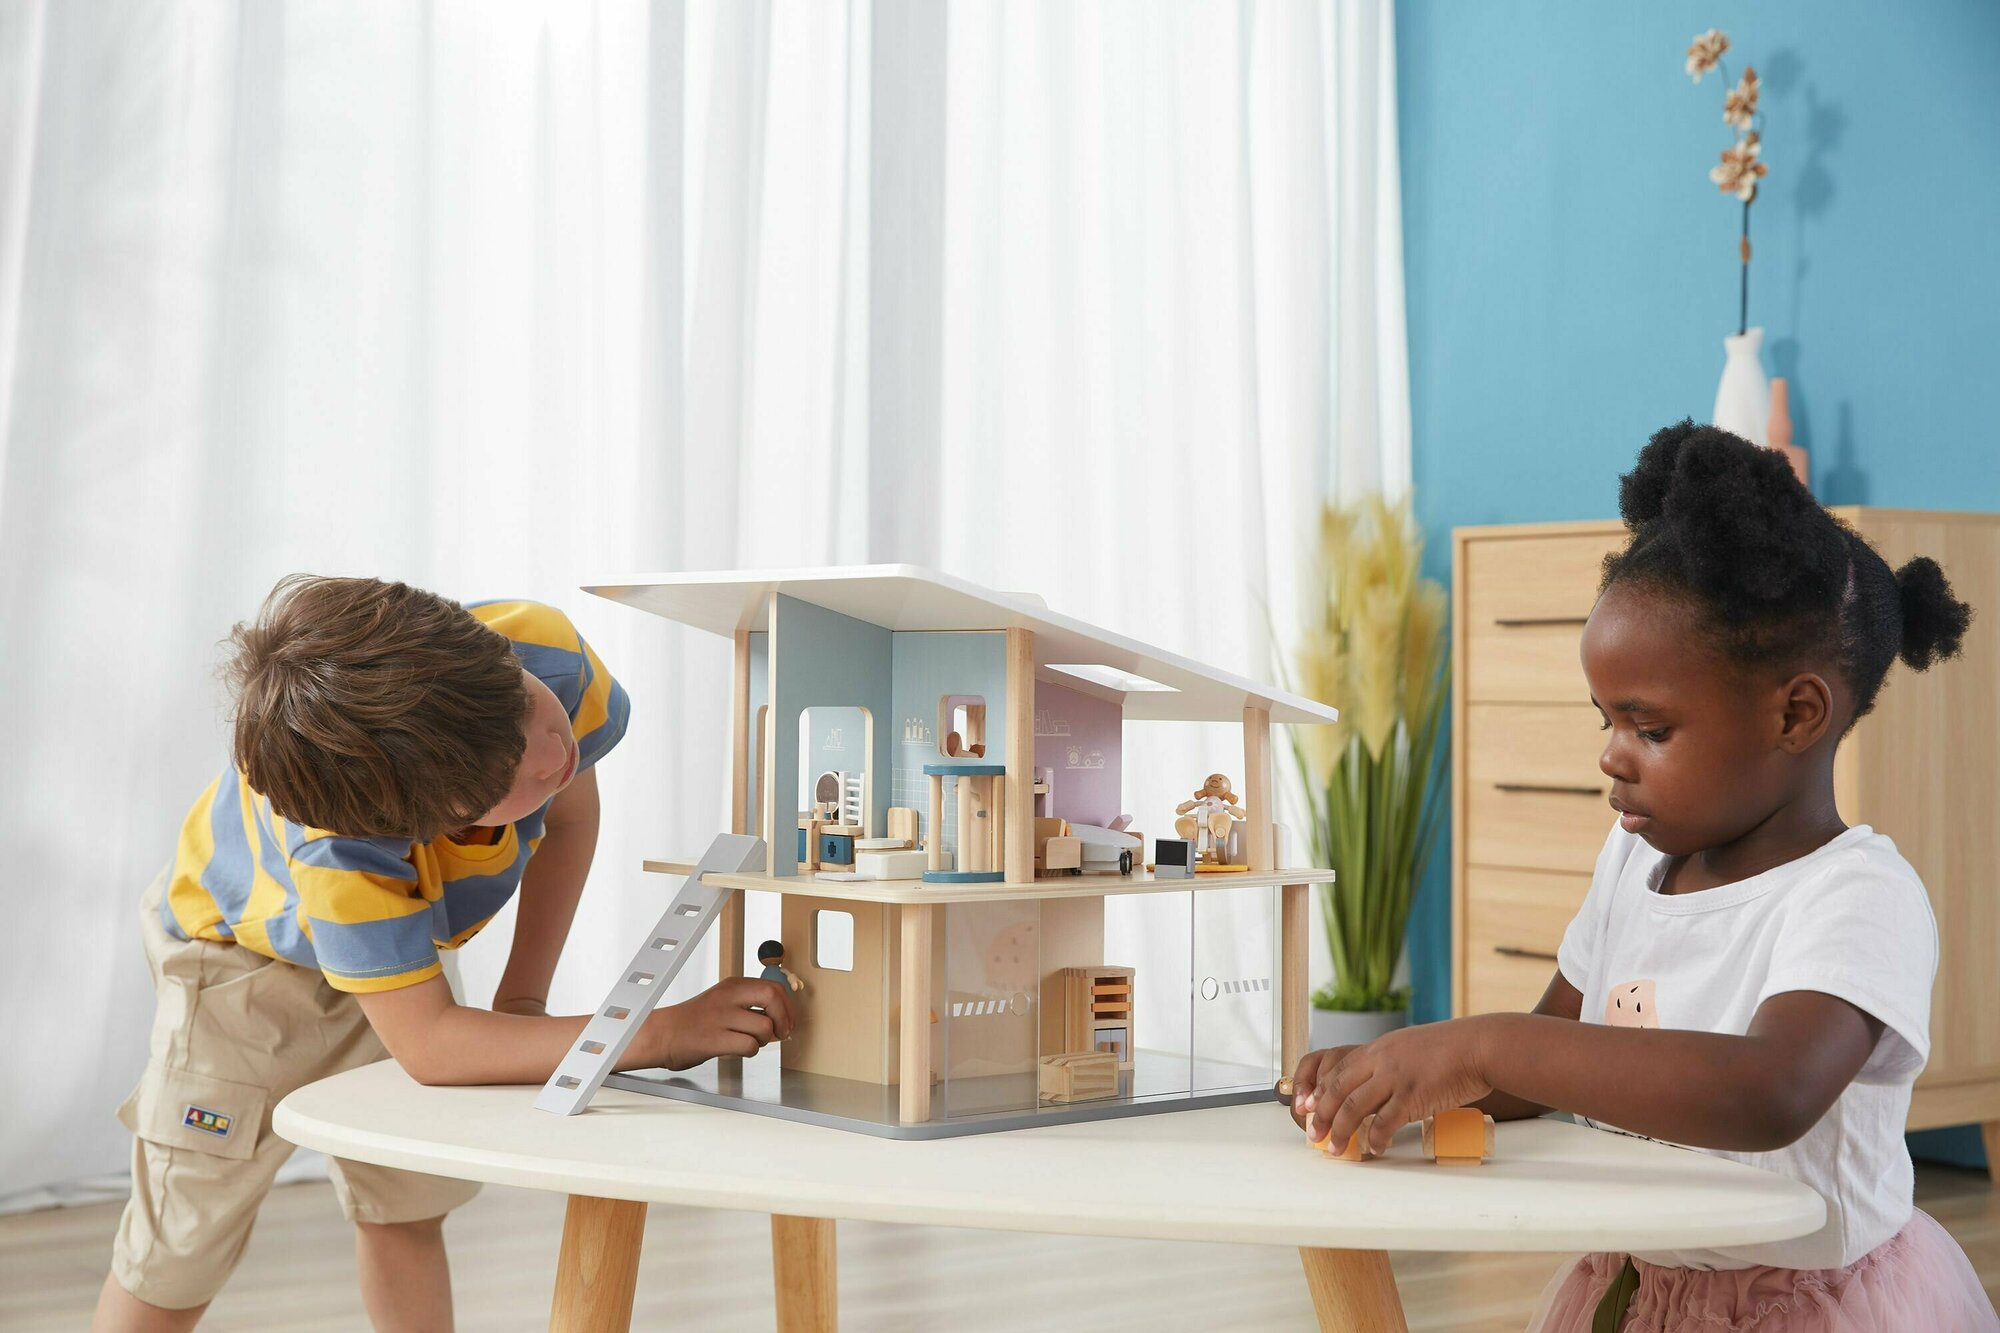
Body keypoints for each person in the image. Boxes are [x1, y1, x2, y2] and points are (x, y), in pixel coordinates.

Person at [1286, 423, 1995, 1330]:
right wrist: (1397, 1073)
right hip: (1636, 1290)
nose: (1612, 757)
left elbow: (1768, 1091)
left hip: (1809, 1305)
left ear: (1796, 715)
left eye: (1650, 729)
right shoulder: (1634, 861)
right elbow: (1552, 1057)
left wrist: (1484, 1044)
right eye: (1606, 721)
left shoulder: (1858, 896)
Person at [93, 577, 794, 1333]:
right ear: (420, 827)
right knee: (180, 1246)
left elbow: (569, 817)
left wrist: (523, 999)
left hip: (404, 957)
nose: (552, 749)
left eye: (522, 704)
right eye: (501, 779)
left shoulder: (544, 652)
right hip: (241, 974)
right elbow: (429, 1043)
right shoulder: (344, 855)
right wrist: (656, 1032)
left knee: (408, 1201)